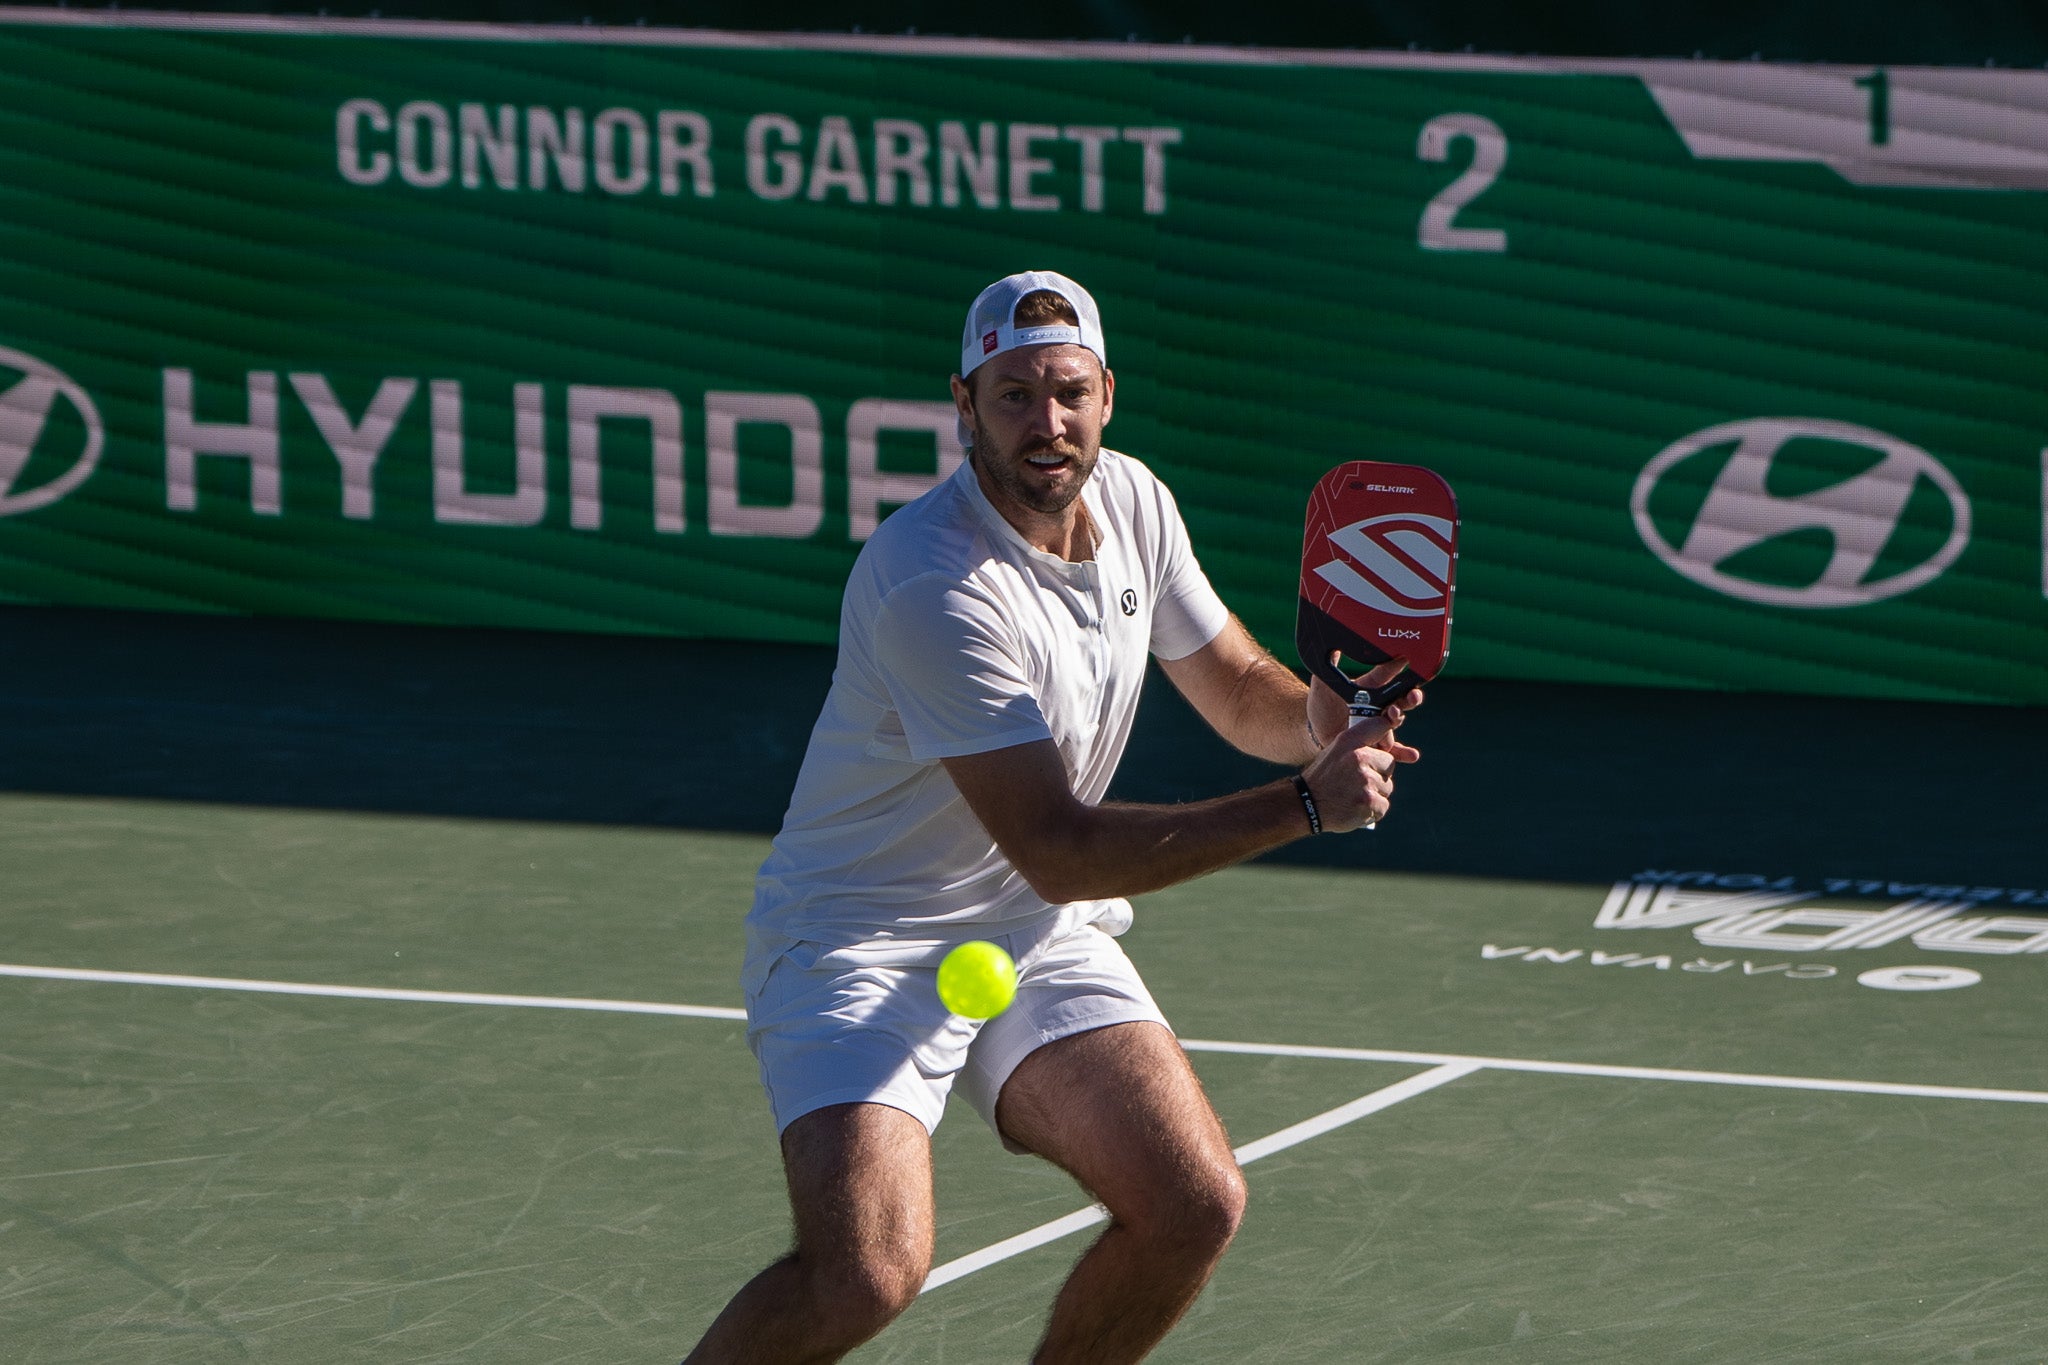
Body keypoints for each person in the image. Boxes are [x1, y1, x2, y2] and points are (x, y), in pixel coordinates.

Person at [685, 270, 1422, 1364]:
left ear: (1107, 395)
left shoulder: (1132, 501)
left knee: (1191, 1204)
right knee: (865, 1275)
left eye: (1068, 391)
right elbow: (1061, 847)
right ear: (964, 403)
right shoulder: (933, 585)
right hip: (857, 942)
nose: (1047, 422)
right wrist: (1306, 804)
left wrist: (1319, 723)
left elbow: (1230, 686)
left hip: (1030, 932)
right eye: (1014, 395)